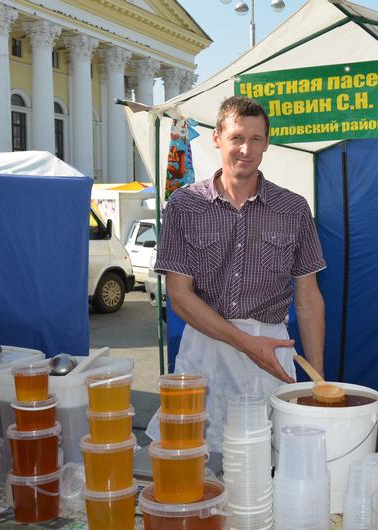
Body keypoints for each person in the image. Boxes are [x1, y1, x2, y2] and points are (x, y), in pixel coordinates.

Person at [151, 95, 326, 452]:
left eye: (256, 139)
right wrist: (248, 344)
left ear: (267, 143)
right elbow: (180, 296)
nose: (246, 149)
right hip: (205, 347)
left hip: (271, 353)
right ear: (217, 138)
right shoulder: (185, 206)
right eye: (236, 137)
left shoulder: (293, 209)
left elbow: (308, 297)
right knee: (195, 456)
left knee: (270, 459)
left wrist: (317, 383)